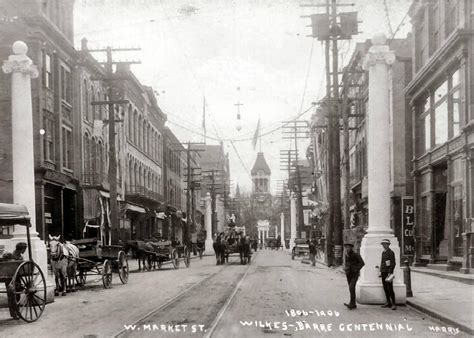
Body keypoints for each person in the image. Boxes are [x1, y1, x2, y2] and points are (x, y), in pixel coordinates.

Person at [343, 242, 365, 310]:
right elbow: (346, 263)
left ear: (351, 248)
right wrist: (345, 268)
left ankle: (352, 303)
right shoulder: (346, 255)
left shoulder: (356, 254)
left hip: (354, 274)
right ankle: (352, 303)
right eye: (346, 247)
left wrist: (356, 269)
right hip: (348, 273)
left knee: (351, 287)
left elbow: (362, 263)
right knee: (351, 288)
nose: (347, 248)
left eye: (349, 247)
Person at [380, 239, 397, 310]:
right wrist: (380, 271)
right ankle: (388, 302)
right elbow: (383, 262)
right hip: (383, 272)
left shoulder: (391, 252)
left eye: (386, 244)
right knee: (385, 287)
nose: (384, 245)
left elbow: (393, 263)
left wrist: (390, 272)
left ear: (388, 245)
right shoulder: (383, 252)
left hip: (388, 272)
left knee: (390, 288)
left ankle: (393, 303)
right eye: (383, 244)